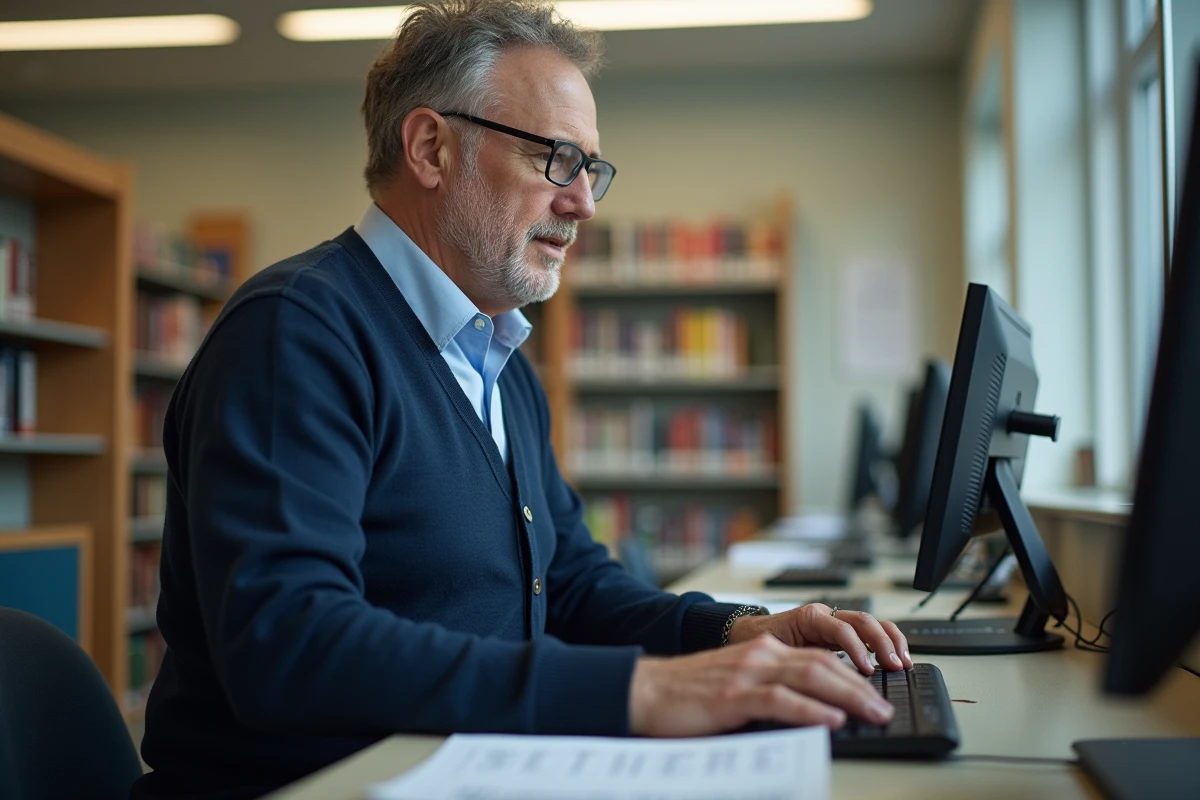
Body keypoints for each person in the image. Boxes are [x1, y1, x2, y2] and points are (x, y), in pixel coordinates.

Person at [132, 2, 911, 798]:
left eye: (590, 169)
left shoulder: (502, 354)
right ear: (432, 148)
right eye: (557, 160)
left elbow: (567, 582)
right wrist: (637, 693)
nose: (584, 204)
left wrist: (736, 629)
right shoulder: (297, 332)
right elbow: (289, 644)